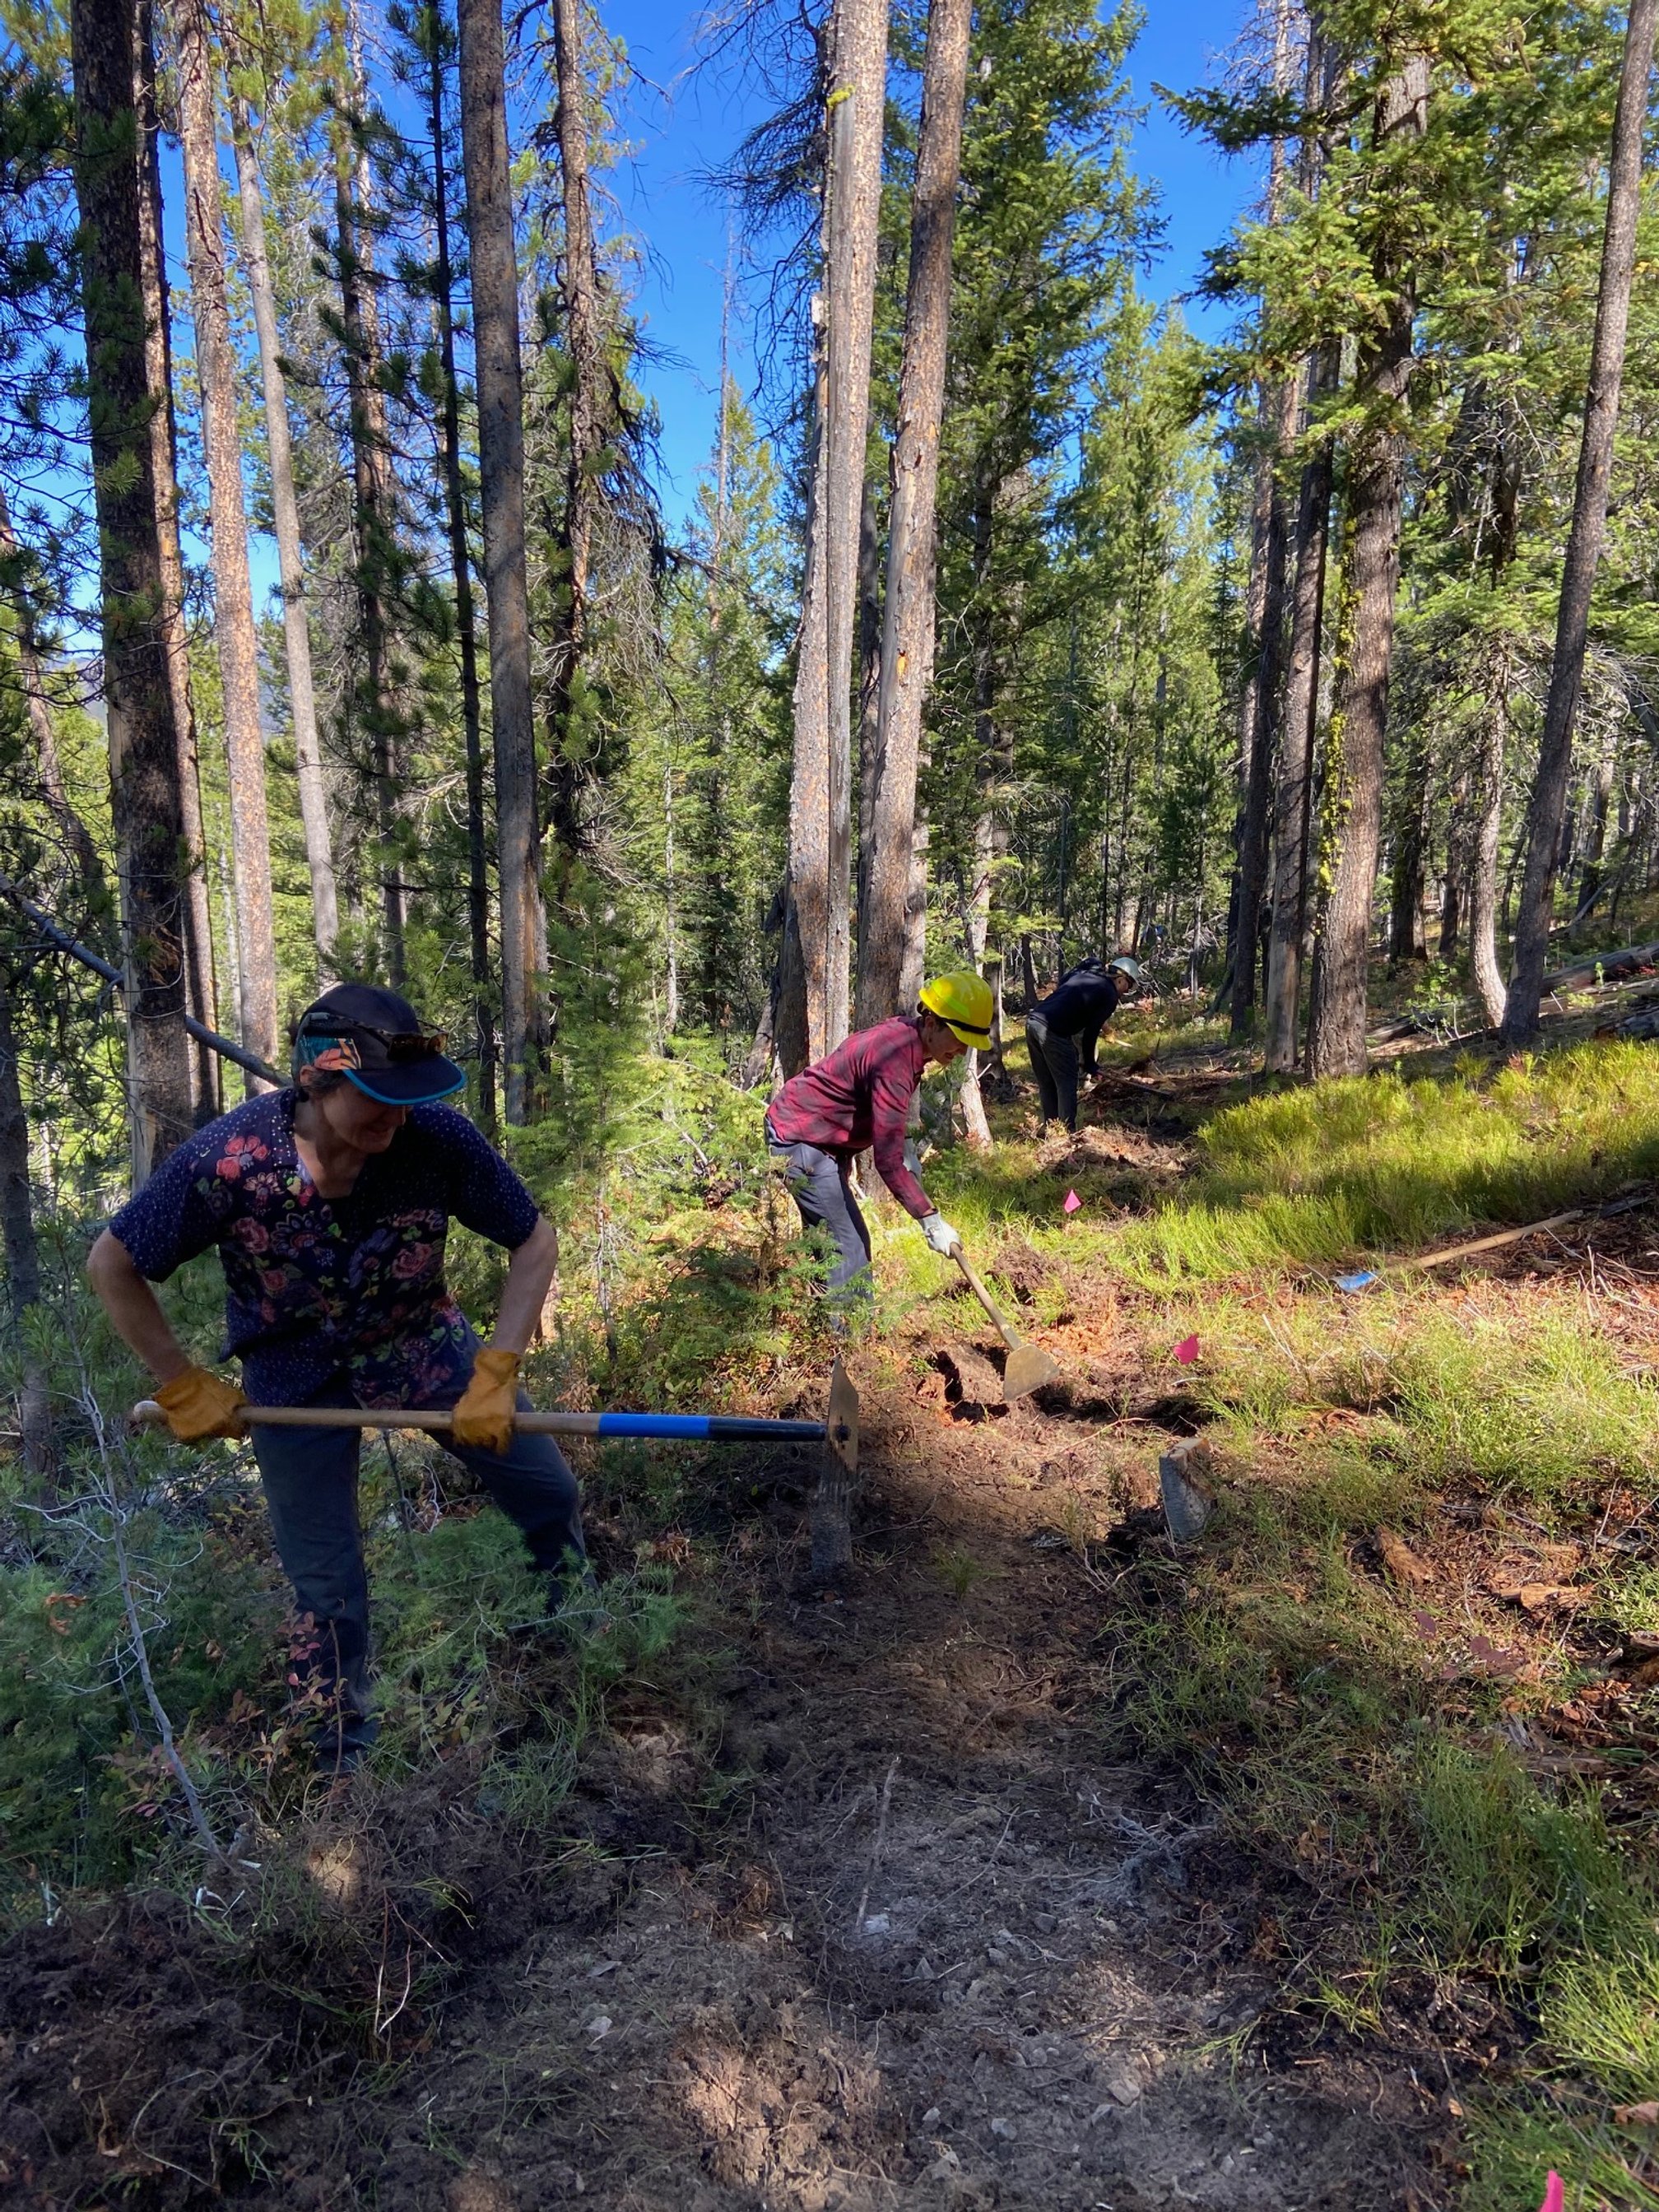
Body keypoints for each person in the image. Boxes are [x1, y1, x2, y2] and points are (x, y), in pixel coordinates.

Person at [86, 983, 588, 1774]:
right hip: (293, 1377)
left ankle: (576, 1637)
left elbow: (535, 1241)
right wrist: (181, 1381)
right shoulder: (230, 1161)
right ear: (315, 1082)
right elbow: (113, 1263)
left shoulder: (437, 1143)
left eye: (405, 1101)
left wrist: (496, 1370)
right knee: (327, 1588)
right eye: (377, 1101)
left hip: (420, 1347)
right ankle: (336, 1760)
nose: (394, 1118)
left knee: (550, 1494)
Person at [764, 971, 994, 1306]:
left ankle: (823, 1333)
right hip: (801, 1139)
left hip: (819, 1138)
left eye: (968, 1043)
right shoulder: (895, 1061)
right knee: (848, 1247)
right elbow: (886, 1162)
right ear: (931, 1022)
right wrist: (930, 1220)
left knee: (828, 1243)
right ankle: (850, 1346)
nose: (961, 1051)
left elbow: (885, 1114)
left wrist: (906, 1146)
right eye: (957, 1038)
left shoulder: (907, 1039)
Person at [1025, 954, 1143, 1132]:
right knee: (1067, 1083)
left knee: (1047, 1082)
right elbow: (1091, 1033)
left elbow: (1065, 983)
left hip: (1032, 1022)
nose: (1127, 991)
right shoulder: (1109, 994)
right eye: (1129, 985)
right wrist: (1090, 1064)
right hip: (1053, 1031)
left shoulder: (1086, 977)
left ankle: (1052, 1129)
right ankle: (1066, 1133)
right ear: (1120, 979)